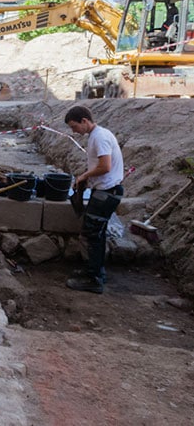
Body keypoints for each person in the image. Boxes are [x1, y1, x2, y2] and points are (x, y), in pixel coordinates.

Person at [64, 105, 124, 294]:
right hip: (105, 191)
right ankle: (96, 272)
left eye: (74, 126)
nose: (74, 131)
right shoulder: (96, 135)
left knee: (92, 235)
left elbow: (105, 166)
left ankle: (94, 279)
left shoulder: (100, 137)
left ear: (84, 121)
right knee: (97, 234)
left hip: (107, 192)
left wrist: (84, 176)